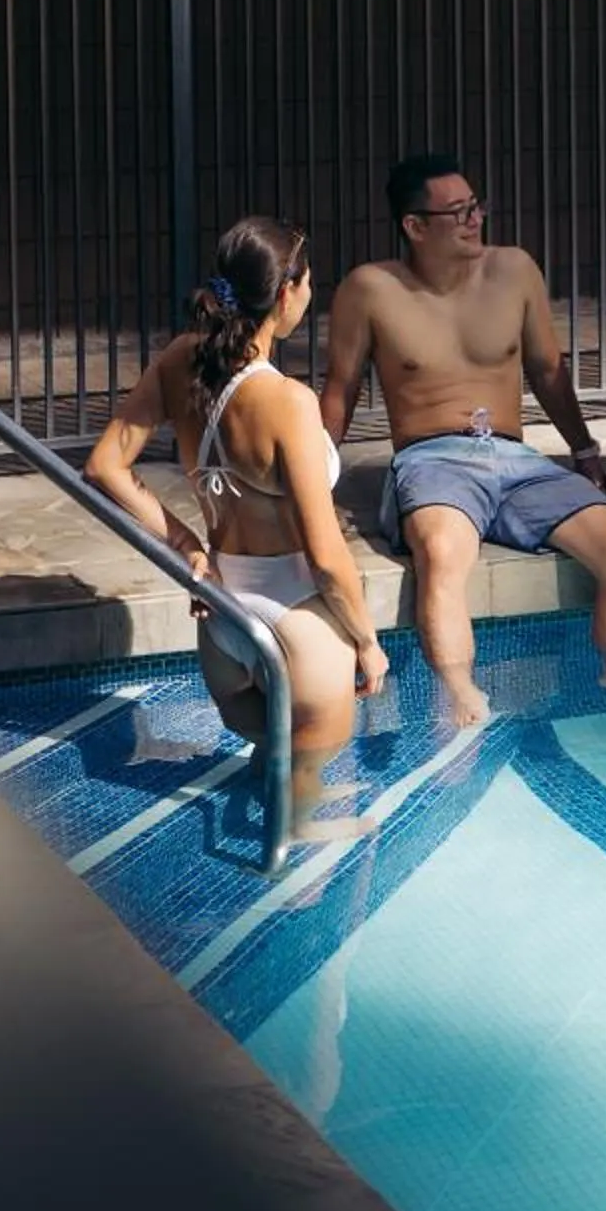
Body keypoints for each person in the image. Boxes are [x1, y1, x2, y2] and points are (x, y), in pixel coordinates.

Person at [321, 152, 606, 726]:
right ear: (414, 226)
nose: (474, 219)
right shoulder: (371, 289)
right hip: (431, 457)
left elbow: (549, 369)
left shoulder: (514, 270)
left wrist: (584, 451)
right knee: (441, 553)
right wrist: (317, 483)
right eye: (456, 212)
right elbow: (338, 390)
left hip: (514, 457)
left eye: (475, 206)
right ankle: (459, 693)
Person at [85, 214, 388, 840]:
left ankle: (291, 784)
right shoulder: (288, 405)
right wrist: (366, 641)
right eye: (309, 284)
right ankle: (296, 823)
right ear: (286, 294)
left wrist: (185, 543)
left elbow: (105, 467)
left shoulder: (179, 361)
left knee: (276, 741)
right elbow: (327, 558)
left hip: (223, 618)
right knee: (313, 761)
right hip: (299, 620)